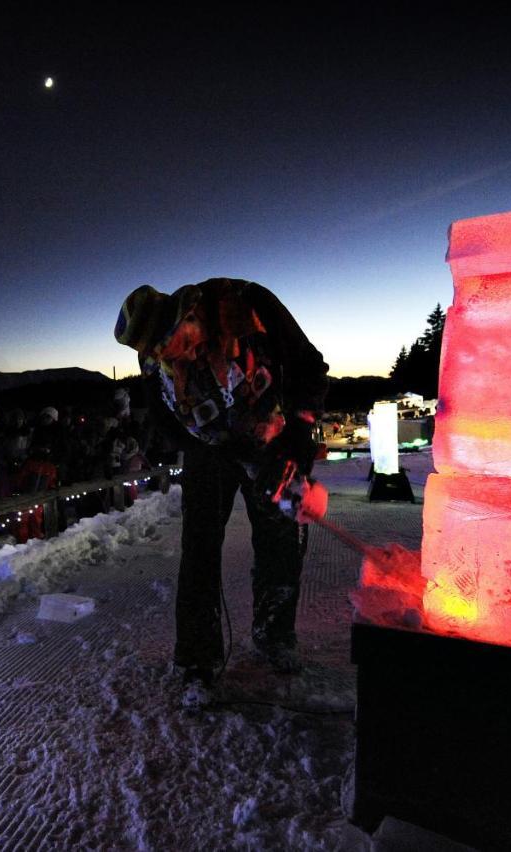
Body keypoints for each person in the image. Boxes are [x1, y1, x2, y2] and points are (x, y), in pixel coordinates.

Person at [114, 278, 329, 708]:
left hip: (274, 435)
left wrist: (299, 438)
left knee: (281, 537)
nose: (175, 357)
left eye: (177, 342)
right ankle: (198, 658)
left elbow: (309, 365)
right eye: (160, 354)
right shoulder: (156, 361)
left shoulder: (247, 303)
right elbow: (163, 417)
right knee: (199, 547)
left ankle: (274, 635)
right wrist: (209, 443)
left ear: (189, 315)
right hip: (209, 449)